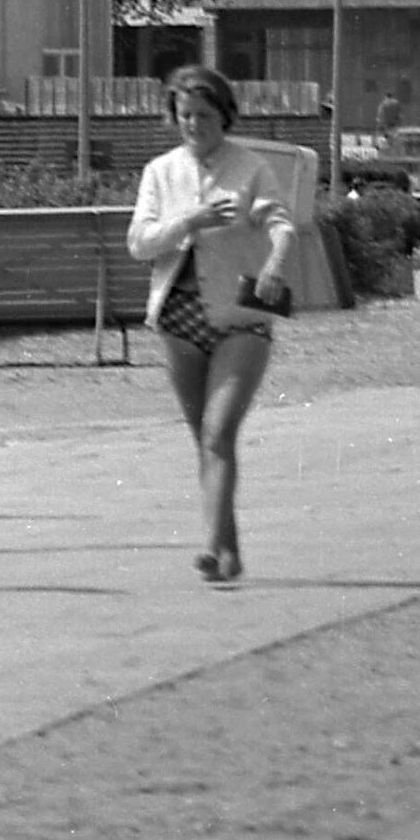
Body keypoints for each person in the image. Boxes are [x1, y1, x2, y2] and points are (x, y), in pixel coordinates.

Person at [126, 63, 296, 584]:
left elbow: (281, 223)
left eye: (205, 115)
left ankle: (207, 546)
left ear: (225, 115)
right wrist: (188, 223)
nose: (195, 124)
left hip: (240, 315)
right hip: (179, 316)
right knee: (203, 437)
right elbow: (139, 243)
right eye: (185, 115)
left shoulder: (250, 167)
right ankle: (228, 549)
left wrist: (273, 265)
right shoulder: (161, 172)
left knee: (219, 431)